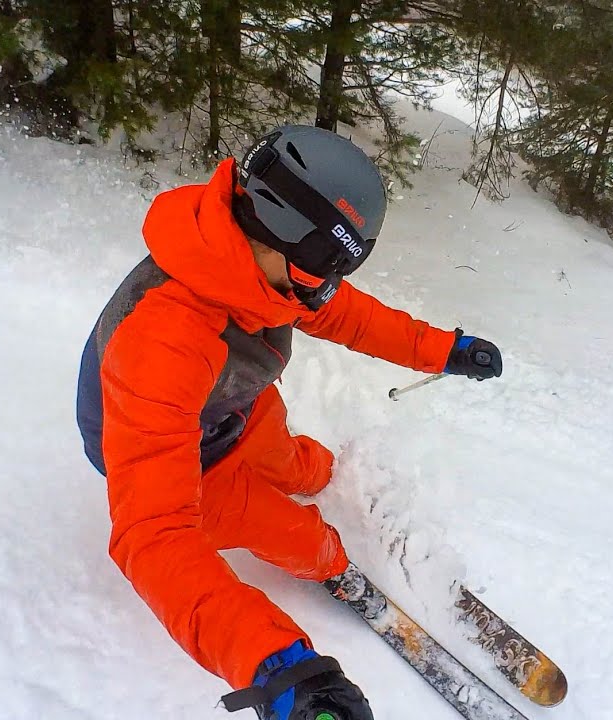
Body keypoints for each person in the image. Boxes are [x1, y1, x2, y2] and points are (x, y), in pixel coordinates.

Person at [75, 125, 503, 720]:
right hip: (192, 461)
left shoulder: (258, 267)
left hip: (234, 407)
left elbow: (349, 317)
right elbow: (152, 535)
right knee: (303, 537)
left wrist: (443, 351)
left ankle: (317, 478)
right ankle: (334, 565)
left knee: (302, 464)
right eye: (325, 269)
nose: (327, 289)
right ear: (288, 235)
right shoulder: (163, 342)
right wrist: (276, 666)